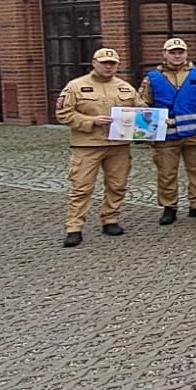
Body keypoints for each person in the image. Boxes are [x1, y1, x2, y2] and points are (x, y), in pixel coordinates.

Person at [56, 46, 139, 246]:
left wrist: (159, 121)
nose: (108, 67)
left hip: (118, 145)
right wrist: (91, 121)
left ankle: (110, 219)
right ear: (94, 63)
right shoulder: (76, 86)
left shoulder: (125, 87)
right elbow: (63, 114)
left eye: (112, 63)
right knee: (81, 187)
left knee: (117, 185)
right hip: (87, 145)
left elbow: (141, 111)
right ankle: (74, 227)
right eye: (104, 63)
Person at [138, 37, 196, 224]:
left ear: (186, 54)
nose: (177, 56)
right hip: (166, 136)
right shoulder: (152, 78)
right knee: (166, 173)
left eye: (180, 52)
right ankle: (169, 207)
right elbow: (143, 105)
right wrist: (147, 133)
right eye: (172, 52)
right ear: (164, 54)